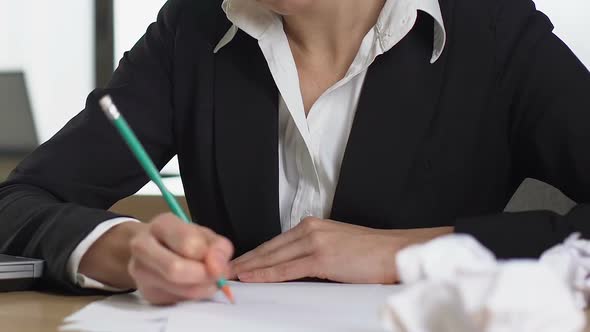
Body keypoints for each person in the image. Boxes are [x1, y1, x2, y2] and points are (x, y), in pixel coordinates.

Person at [1, 0, 589, 305]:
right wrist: (127, 249)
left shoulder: (493, 32)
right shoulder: (194, 28)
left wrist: (408, 254)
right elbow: (19, 203)